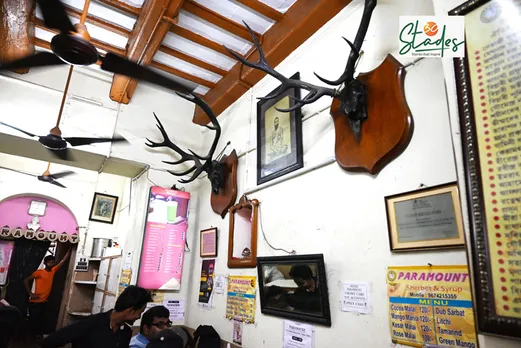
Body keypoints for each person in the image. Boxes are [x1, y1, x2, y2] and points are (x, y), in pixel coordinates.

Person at [41, 285, 151, 348]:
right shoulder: (91, 323)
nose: (138, 317)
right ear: (131, 311)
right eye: (139, 312)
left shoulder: (126, 333)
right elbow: (51, 341)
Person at [24, 249, 71, 339]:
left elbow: (63, 261)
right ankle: (27, 339)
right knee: (32, 321)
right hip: (35, 302)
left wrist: (69, 249)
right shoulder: (39, 272)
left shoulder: (53, 271)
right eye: (49, 262)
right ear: (45, 263)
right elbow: (25, 280)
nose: (51, 264)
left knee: (40, 321)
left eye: (53, 262)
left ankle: (36, 337)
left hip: (44, 302)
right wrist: (30, 293)